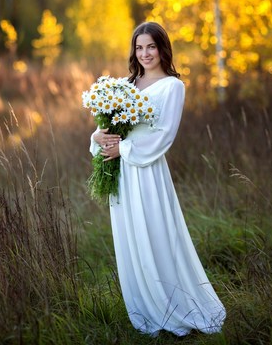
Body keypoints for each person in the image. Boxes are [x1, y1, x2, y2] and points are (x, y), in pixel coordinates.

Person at [90, 22, 226, 336]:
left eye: (151, 46)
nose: (145, 53)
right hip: (122, 174)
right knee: (131, 238)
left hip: (147, 171)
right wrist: (98, 137)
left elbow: (164, 135)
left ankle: (174, 305)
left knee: (156, 234)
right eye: (139, 47)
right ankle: (145, 306)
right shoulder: (127, 84)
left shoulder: (172, 87)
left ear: (162, 48)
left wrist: (122, 150)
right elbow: (111, 126)